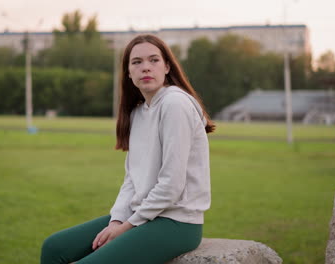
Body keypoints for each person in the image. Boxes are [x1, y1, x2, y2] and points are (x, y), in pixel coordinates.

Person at [41, 34, 215, 264]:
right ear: (128, 72)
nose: (145, 67)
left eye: (153, 60)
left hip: (177, 222)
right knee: (54, 248)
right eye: (137, 62)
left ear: (167, 67)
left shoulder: (175, 104)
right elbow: (132, 179)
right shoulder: (137, 113)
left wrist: (127, 226)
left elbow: (172, 184)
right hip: (141, 216)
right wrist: (116, 220)